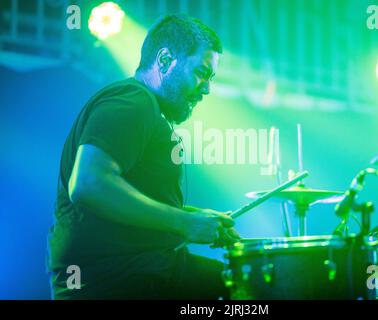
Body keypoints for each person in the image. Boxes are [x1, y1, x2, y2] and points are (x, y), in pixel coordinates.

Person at [47, 14, 240, 299]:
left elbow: (127, 200)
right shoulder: (132, 101)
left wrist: (192, 215)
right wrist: (184, 224)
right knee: (251, 289)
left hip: (133, 274)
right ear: (164, 60)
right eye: (200, 72)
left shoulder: (141, 105)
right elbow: (88, 183)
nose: (207, 89)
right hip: (119, 282)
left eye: (210, 78)